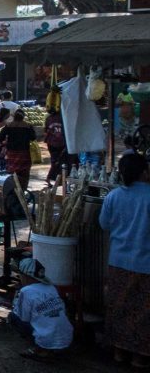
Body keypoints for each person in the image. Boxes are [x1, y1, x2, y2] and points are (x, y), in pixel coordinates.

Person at [99, 153, 150, 369]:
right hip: (145, 263)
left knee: (119, 306)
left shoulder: (114, 196)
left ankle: (119, 352)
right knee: (142, 311)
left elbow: (104, 224)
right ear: (143, 172)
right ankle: (139, 356)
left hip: (118, 260)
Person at [7, 258, 73, 361]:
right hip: (67, 338)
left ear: (26, 276)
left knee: (13, 317)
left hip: (46, 339)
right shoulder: (51, 287)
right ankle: (52, 347)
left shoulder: (26, 290)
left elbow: (24, 318)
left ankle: (40, 349)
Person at [0, 109, 37, 191]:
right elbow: (33, 137)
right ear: (23, 117)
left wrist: (5, 143)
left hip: (11, 152)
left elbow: (0, 137)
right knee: (24, 171)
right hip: (24, 152)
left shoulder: (9, 125)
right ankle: (23, 188)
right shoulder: (28, 126)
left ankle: (12, 187)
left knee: (12, 170)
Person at [43, 107, 69, 184]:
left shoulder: (49, 118)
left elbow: (45, 131)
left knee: (55, 161)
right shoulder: (64, 118)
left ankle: (55, 178)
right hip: (61, 143)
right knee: (60, 161)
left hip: (51, 143)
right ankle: (52, 178)